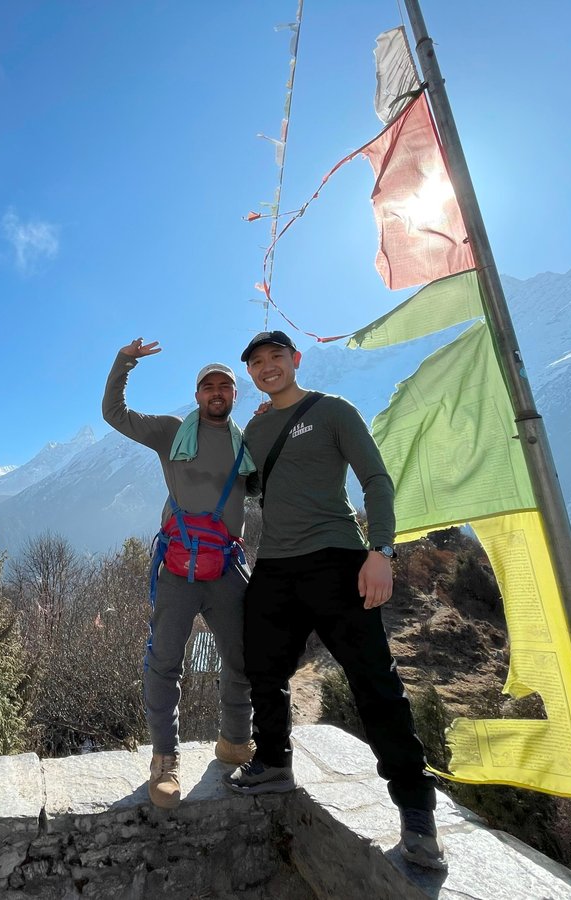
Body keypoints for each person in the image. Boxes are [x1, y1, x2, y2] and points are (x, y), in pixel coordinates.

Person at [224, 329, 446, 871]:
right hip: (275, 564)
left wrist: (382, 551)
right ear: (250, 374)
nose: (268, 367)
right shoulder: (255, 426)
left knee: (375, 683)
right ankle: (273, 761)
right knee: (263, 670)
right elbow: (249, 488)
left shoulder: (334, 411)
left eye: (277, 357)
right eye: (257, 362)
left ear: (296, 360)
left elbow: (375, 479)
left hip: (339, 559)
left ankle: (417, 815)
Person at [103, 337, 256, 810]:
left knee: (242, 659)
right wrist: (124, 361)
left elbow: (279, 489)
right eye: (208, 386)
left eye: (224, 387)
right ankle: (164, 761)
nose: (216, 393)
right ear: (197, 396)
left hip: (227, 568)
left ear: (235, 395)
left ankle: (234, 741)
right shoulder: (171, 432)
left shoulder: (248, 446)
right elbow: (115, 413)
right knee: (165, 662)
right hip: (178, 568)